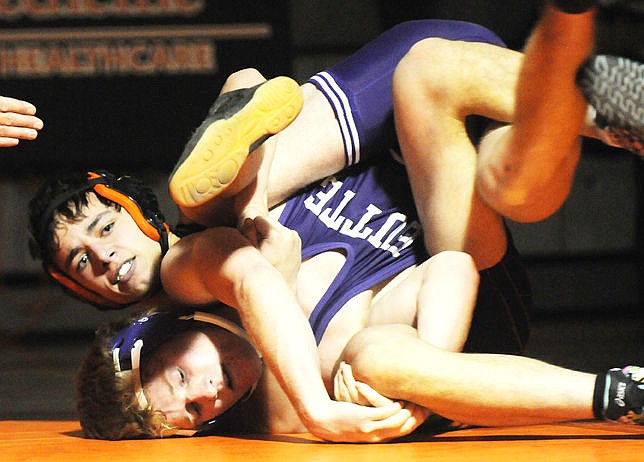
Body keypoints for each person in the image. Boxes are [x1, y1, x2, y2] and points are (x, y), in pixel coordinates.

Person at [28, 1, 642, 442]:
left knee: (486, 139)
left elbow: (248, 272)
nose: (205, 392)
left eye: (104, 232)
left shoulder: (195, 261)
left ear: (163, 328)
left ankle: (580, 76)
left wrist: (250, 207)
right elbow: (451, 267)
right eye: (193, 411)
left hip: (436, 142)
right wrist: (409, 390)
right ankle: (626, 392)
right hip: (458, 277)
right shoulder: (278, 404)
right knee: (381, 351)